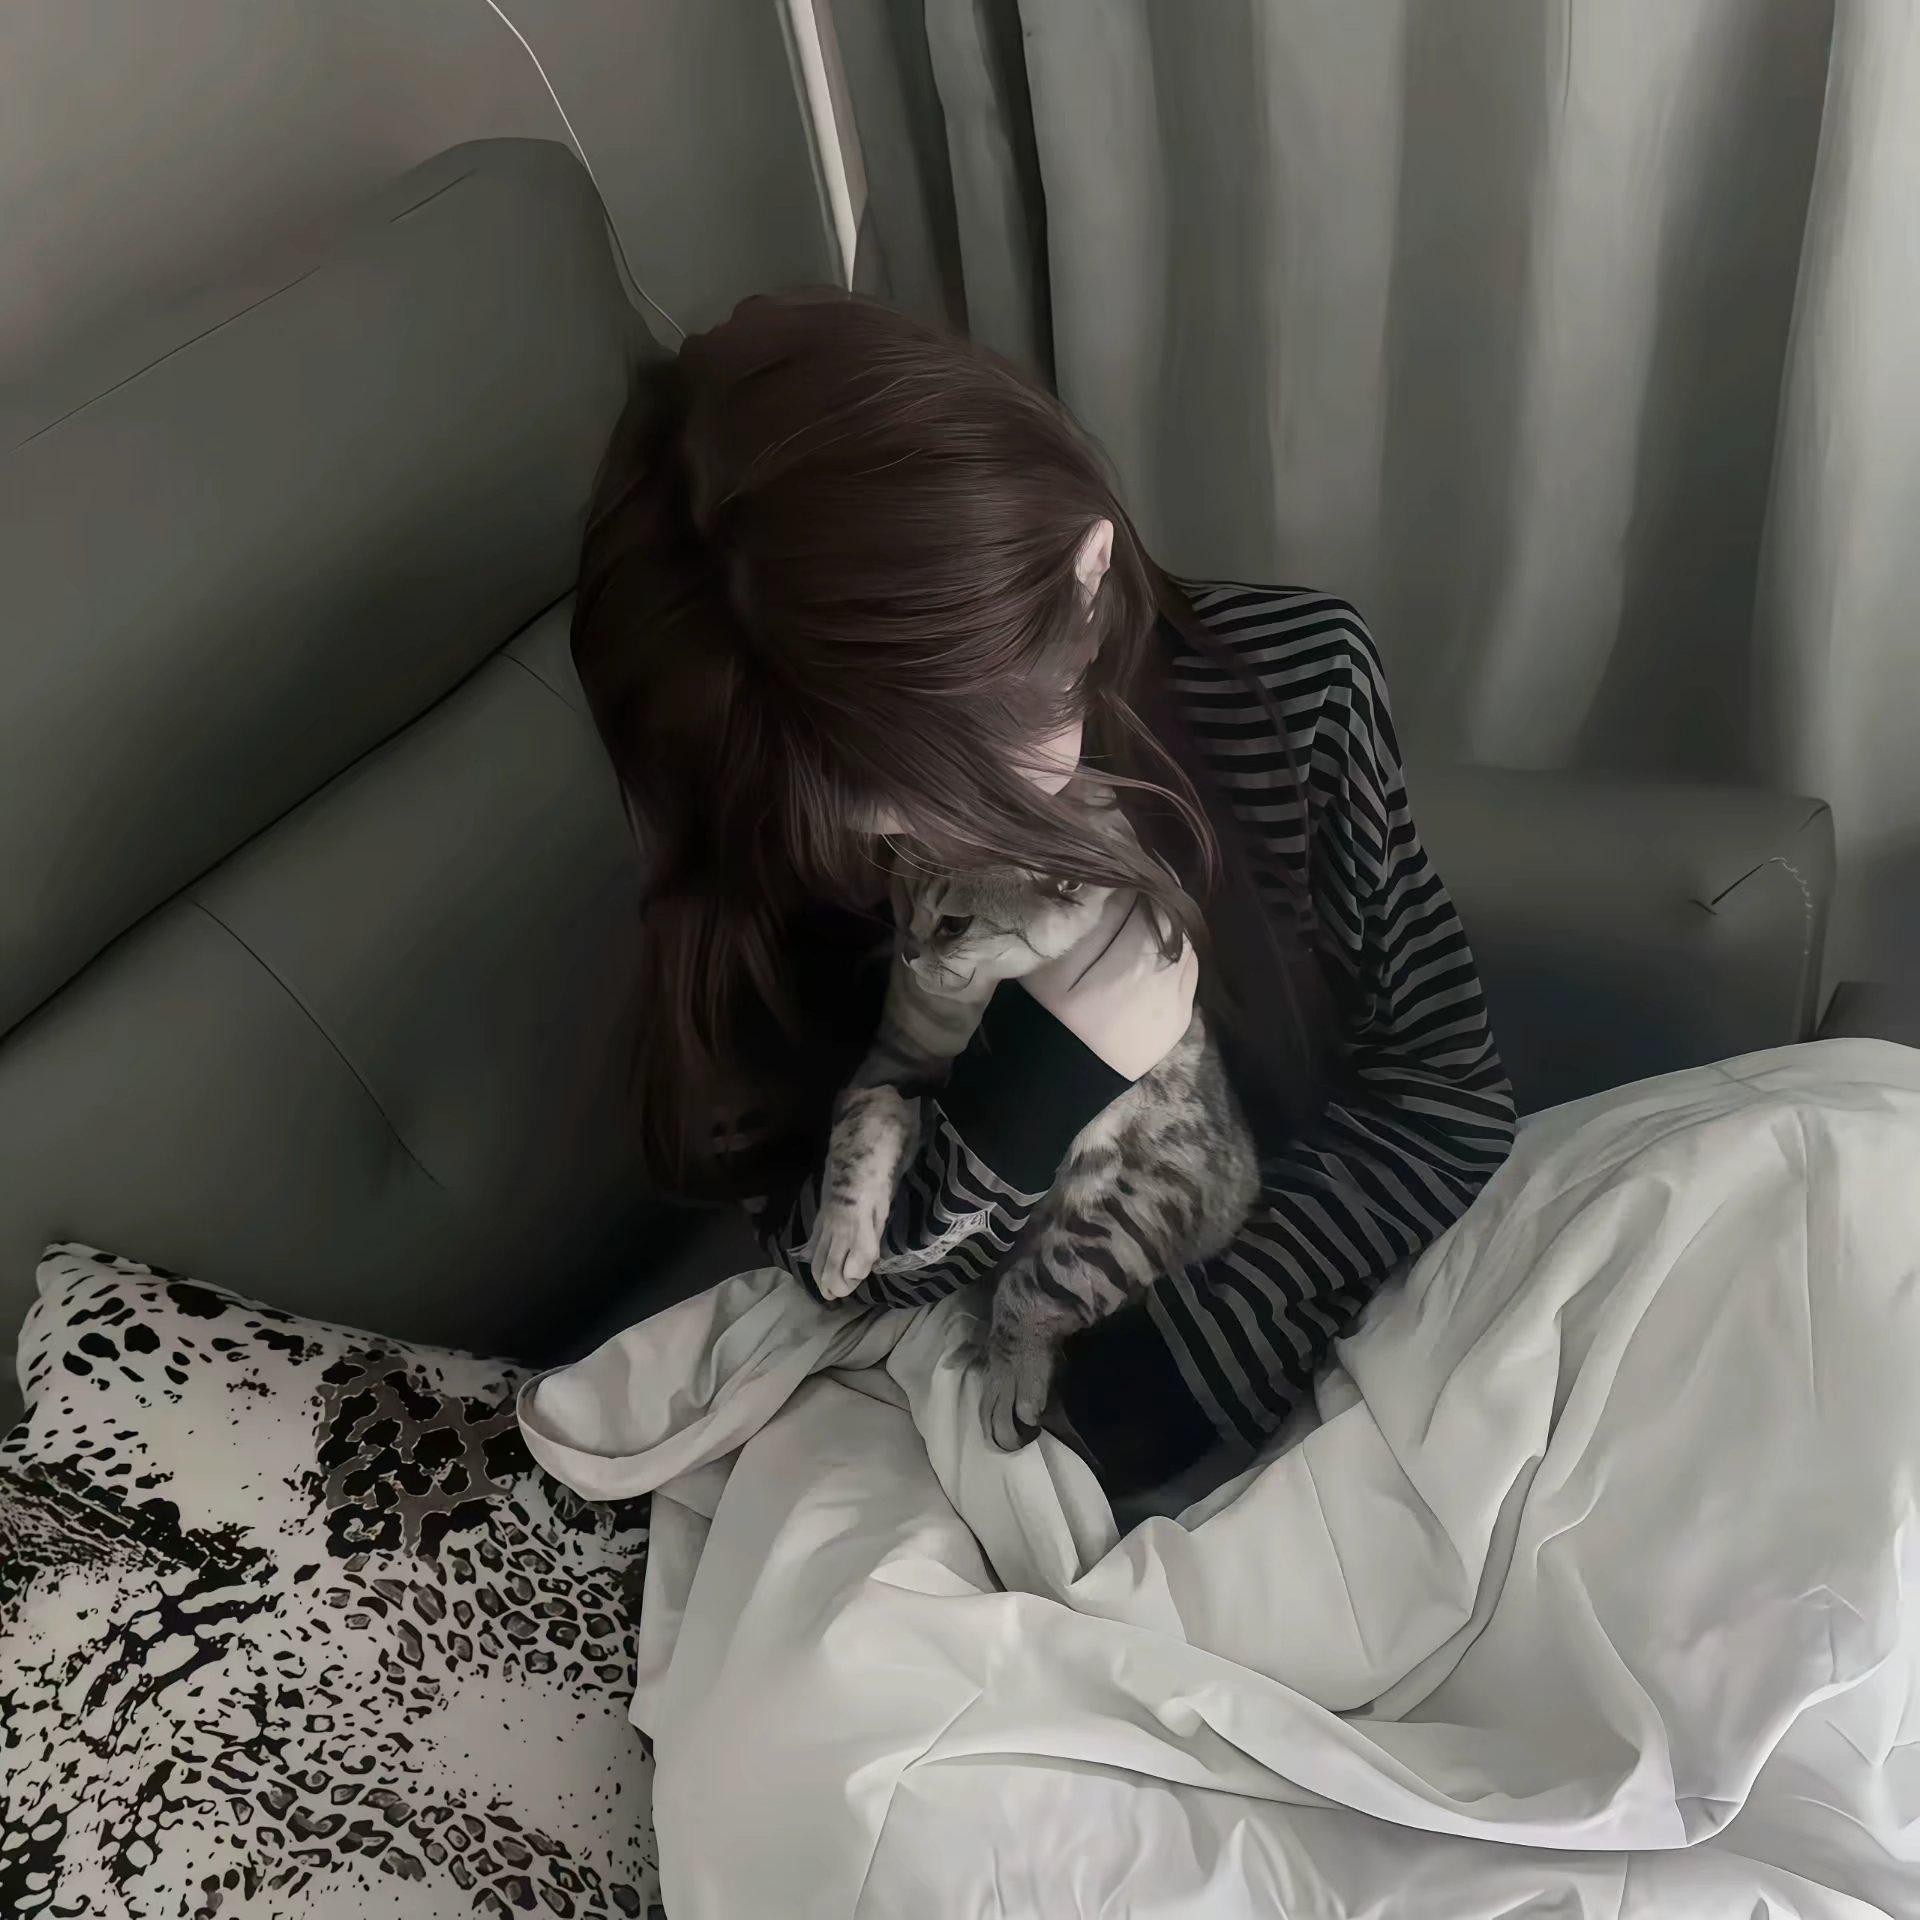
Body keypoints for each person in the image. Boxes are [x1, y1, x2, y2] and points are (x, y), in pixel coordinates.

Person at [570, 290, 1516, 1496]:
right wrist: (1040, 1080)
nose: (916, 848)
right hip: (968, 1400)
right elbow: (832, 1259)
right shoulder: (769, 814)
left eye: (961, 783)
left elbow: (1443, 1097)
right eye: (866, 820)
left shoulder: (1295, 689)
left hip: (1290, 1339)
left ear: (1087, 579)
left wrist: (1145, 1399)